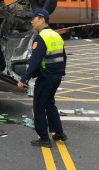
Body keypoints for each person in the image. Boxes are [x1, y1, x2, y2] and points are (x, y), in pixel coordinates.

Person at [17, 8, 68, 148]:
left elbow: (34, 62)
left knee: (38, 106)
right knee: (50, 104)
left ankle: (44, 139)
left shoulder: (41, 38)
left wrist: (24, 79)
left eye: (34, 18)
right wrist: (61, 73)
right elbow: (63, 57)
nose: (31, 21)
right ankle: (59, 133)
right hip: (56, 77)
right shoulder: (56, 35)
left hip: (46, 77)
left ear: (42, 19)